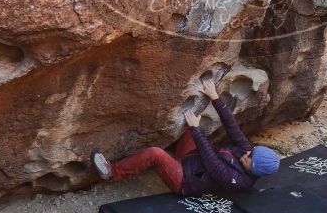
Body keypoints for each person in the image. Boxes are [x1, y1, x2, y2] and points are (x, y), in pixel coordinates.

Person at [89, 79, 280, 196]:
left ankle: (112, 173)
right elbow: (233, 128)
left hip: (185, 180)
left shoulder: (239, 182)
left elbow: (213, 164)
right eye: (252, 151)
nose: (247, 153)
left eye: (250, 158)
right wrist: (215, 98)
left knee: (156, 153)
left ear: (253, 169)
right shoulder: (246, 152)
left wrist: (197, 131)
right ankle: (172, 156)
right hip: (191, 159)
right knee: (191, 129)